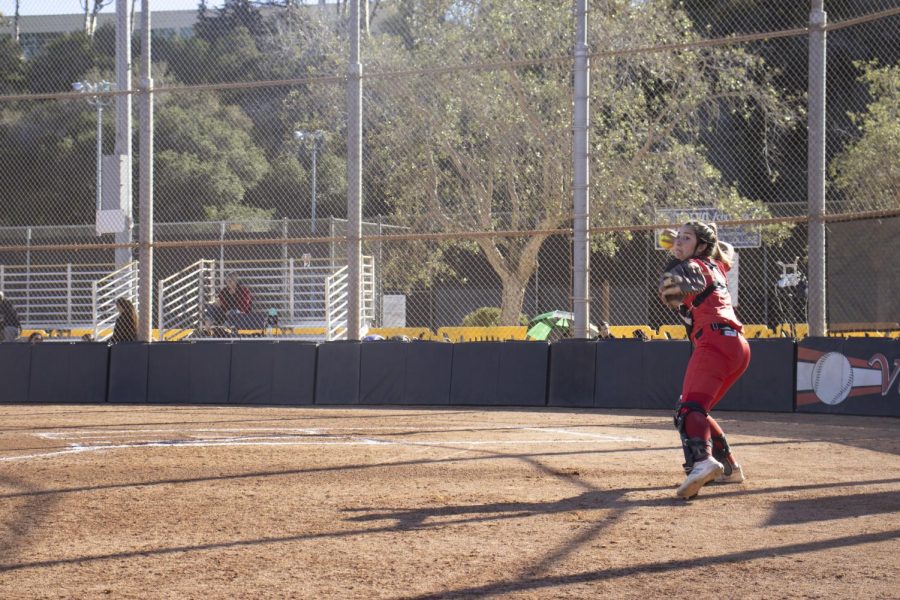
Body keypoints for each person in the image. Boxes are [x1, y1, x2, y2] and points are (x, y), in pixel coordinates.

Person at [658, 221, 751, 499]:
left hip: (714, 342)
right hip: (738, 346)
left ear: (701, 246)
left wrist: (676, 260)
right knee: (695, 408)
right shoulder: (717, 265)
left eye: (687, 238)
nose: (679, 241)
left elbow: (671, 292)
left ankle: (702, 462)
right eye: (680, 237)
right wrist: (685, 244)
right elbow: (726, 251)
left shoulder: (695, 266)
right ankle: (729, 469)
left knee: (688, 410)